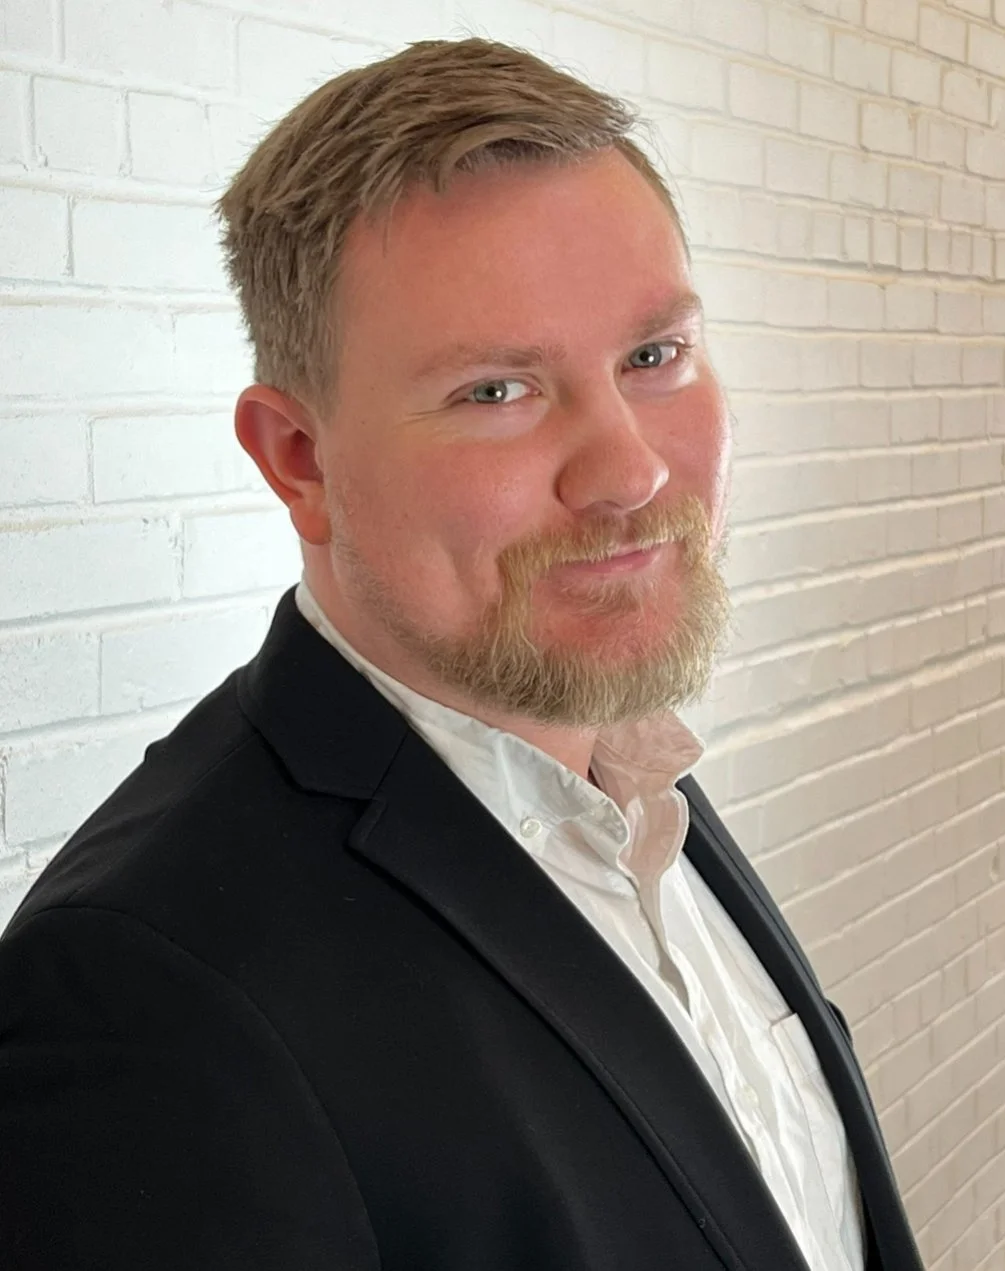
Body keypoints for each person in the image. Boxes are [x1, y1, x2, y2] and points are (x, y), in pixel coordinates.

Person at [0, 38, 923, 1271]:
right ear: (300, 459)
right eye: (497, 391)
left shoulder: (625, 778)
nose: (631, 471)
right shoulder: (144, 1000)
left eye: (654, 357)